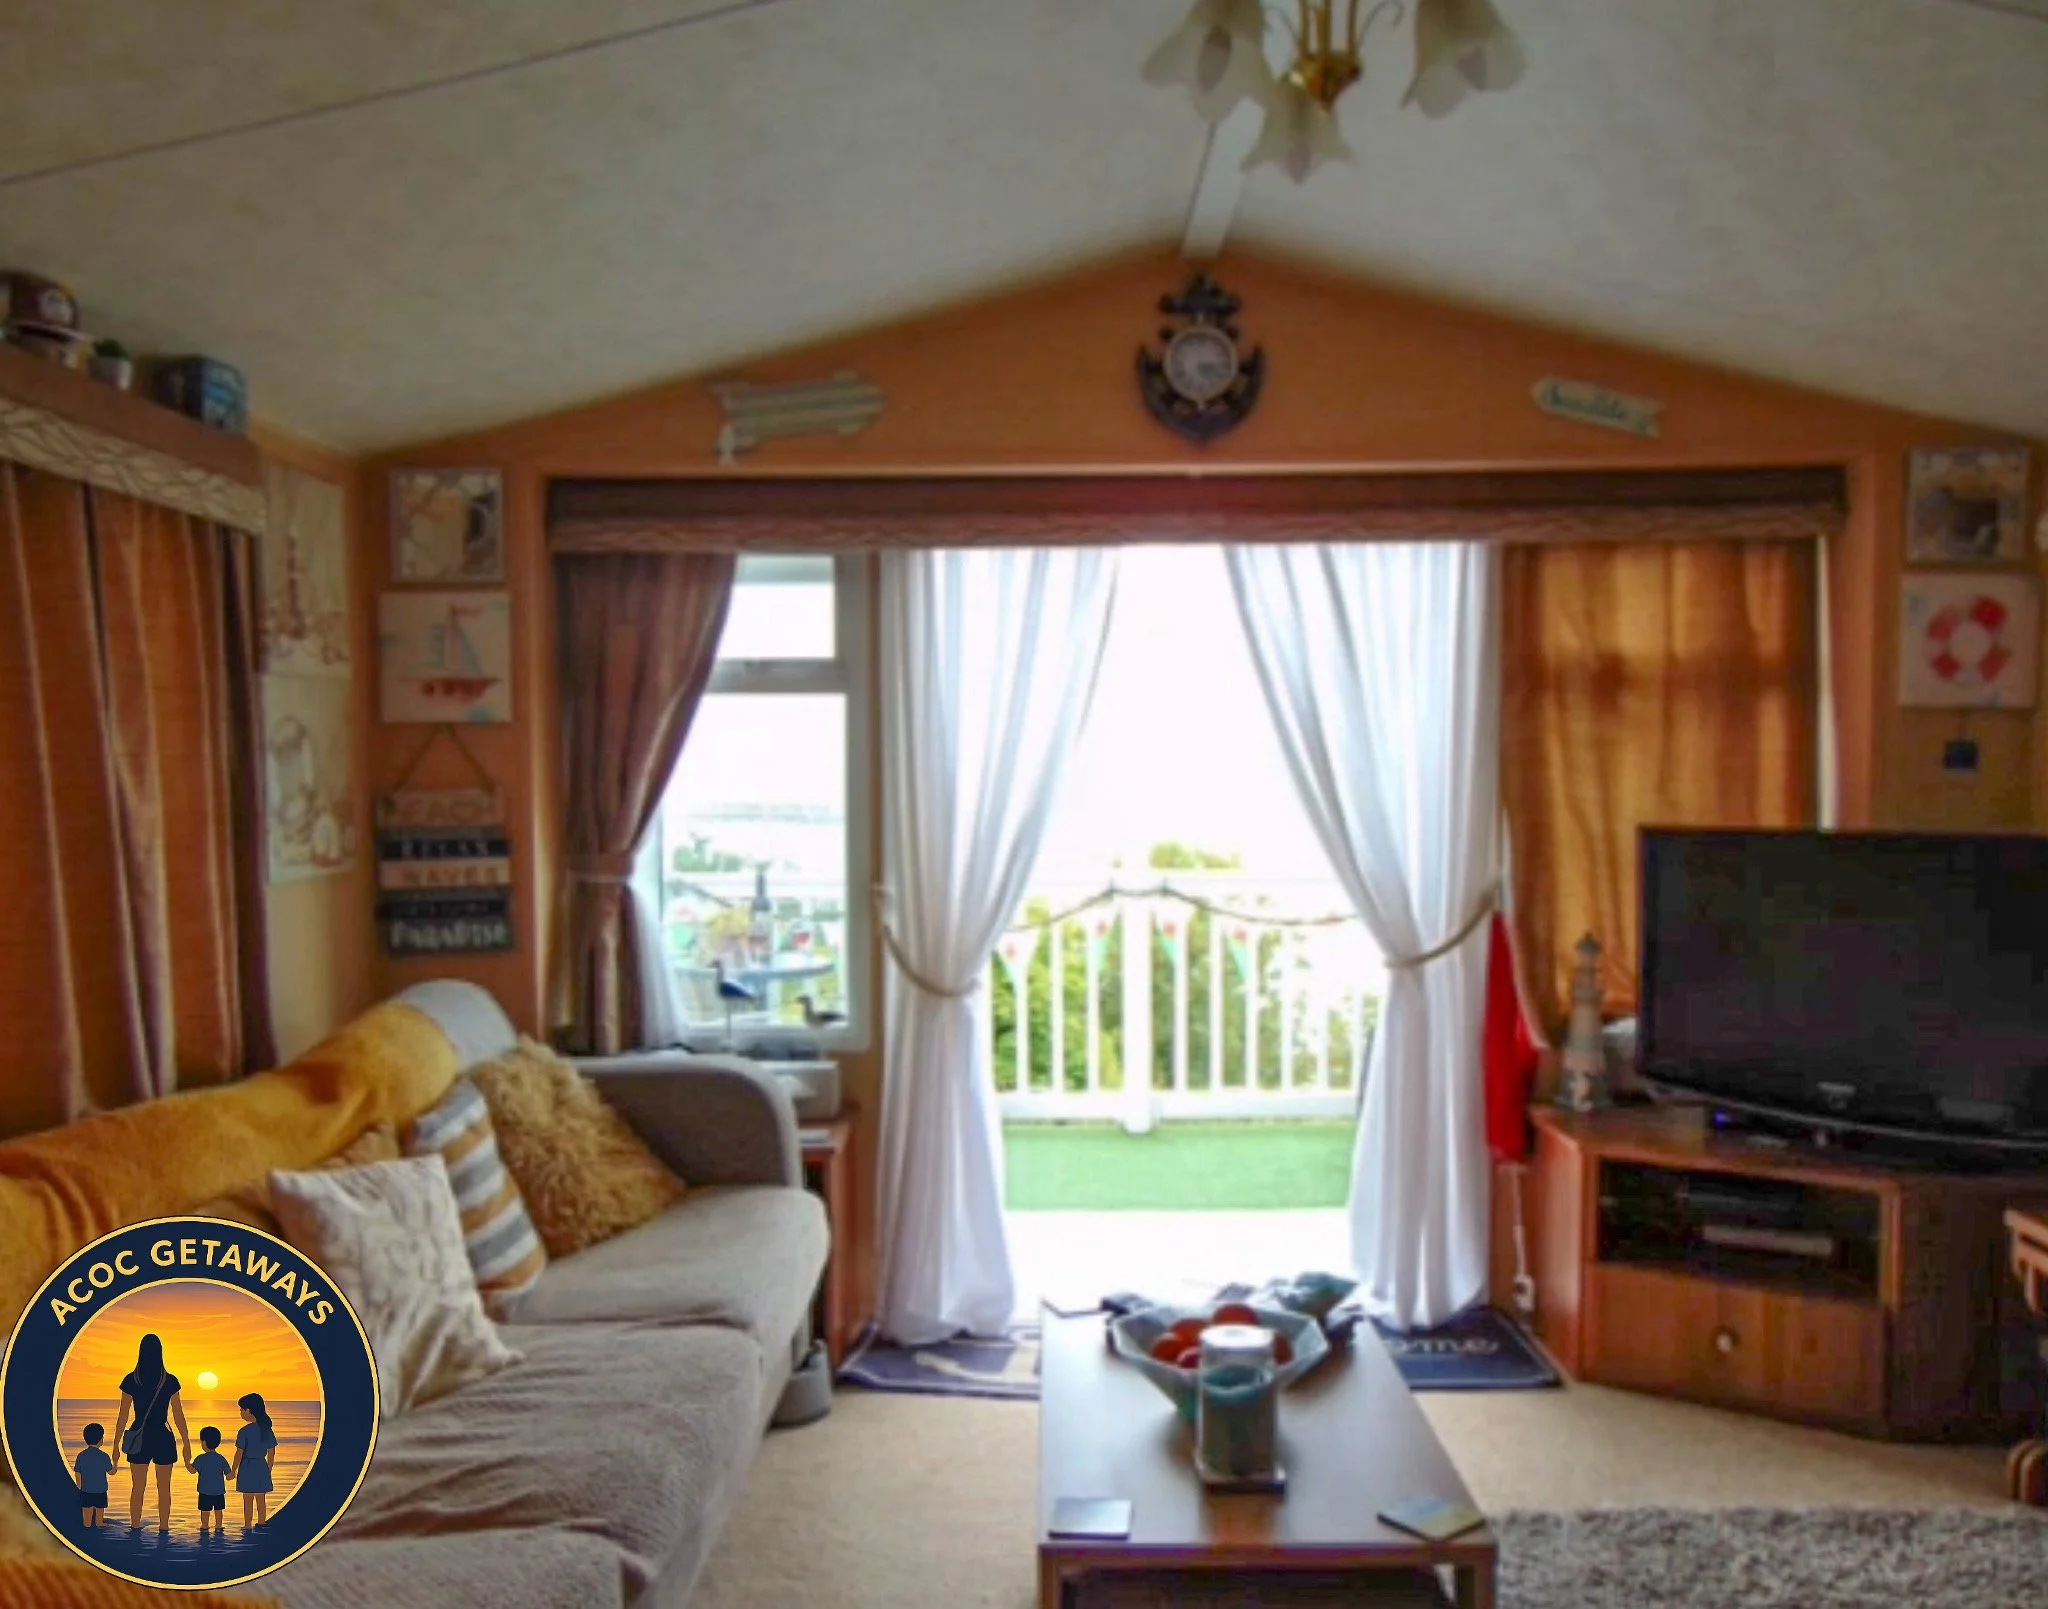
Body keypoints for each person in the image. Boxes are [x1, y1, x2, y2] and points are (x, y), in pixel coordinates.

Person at [109, 1333, 189, 1532]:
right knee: (164, 1489)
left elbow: (123, 1416)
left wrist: (116, 1445)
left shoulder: (131, 1380)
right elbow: (178, 1415)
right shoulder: (169, 1381)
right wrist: (186, 1442)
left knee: (137, 1488)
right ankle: (164, 1528)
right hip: (163, 1436)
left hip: (138, 1438)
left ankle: (135, 1527)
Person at [231, 1393, 276, 1527]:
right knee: (261, 1498)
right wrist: (268, 1468)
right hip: (261, 1465)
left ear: (249, 1410)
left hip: (247, 1466)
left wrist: (233, 1469)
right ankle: (261, 1522)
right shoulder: (266, 1429)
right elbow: (271, 1452)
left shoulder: (244, 1431)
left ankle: (247, 1524)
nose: (240, 1412)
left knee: (248, 1499)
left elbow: (239, 1453)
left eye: (241, 1410)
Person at [186, 1427, 231, 1535]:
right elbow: (229, 1474)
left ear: (204, 1442)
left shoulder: (200, 1458)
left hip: (204, 1492)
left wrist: (186, 1462)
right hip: (219, 1492)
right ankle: (219, 1527)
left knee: (205, 1512)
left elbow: (192, 1471)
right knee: (218, 1511)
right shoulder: (221, 1458)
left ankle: (205, 1527)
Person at [73, 1422, 112, 1528]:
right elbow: (111, 1471)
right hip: (100, 1491)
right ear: (101, 1440)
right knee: (99, 1517)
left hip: (86, 1490)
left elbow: (77, 1473)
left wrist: (79, 1487)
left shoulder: (81, 1455)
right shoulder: (104, 1456)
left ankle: (87, 1525)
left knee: (86, 1520)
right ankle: (99, 1523)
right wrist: (116, 1463)